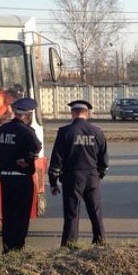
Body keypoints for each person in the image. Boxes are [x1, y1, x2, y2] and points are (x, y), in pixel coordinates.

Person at [0, 97, 42, 254]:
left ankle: (7, 248)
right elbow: (37, 146)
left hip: (6, 179)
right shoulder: (26, 132)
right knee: (21, 216)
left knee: (8, 215)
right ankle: (18, 249)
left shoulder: (1, 130)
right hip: (22, 179)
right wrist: (28, 159)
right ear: (27, 115)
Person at [48, 100, 108, 247]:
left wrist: (53, 182)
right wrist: (98, 175)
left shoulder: (65, 132)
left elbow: (57, 159)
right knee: (95, 212)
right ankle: (100, 242)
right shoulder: (97, 132)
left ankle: (69, 245)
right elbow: (104, 159)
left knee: (72, 213)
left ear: (73, 113)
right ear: (87, 114)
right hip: (92, 177)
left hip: (72, 178)